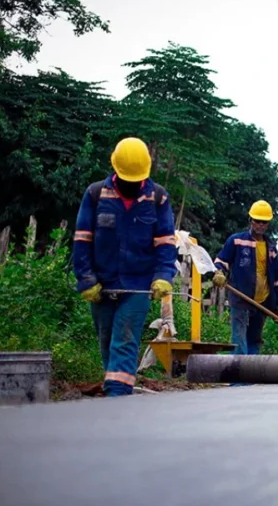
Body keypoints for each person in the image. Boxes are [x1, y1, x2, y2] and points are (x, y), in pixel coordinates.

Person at [72, 137, 177, 397]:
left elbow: (166, 241)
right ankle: (115, 387)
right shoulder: (96, 194)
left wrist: (163, 276)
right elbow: (83, 238)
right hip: (102, 284)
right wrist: (86, 279)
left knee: (125, 339)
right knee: (107, 341)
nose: (131, 184)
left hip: (138, 284)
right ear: (115, 169)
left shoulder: (158, 198)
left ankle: (118, 396)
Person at [212, 200, 278, 359]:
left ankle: (251, 376)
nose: (260, 225)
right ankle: (238, 377)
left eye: (264, 222)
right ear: (250, 220)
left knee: (255, 339)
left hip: (262, 301)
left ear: (268, 223)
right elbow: (221, 260)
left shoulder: (270, 247)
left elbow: (277, 280)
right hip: (241, 298)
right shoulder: (237, 241)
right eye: (257, 221)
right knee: (239, 337)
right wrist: (219, 272)